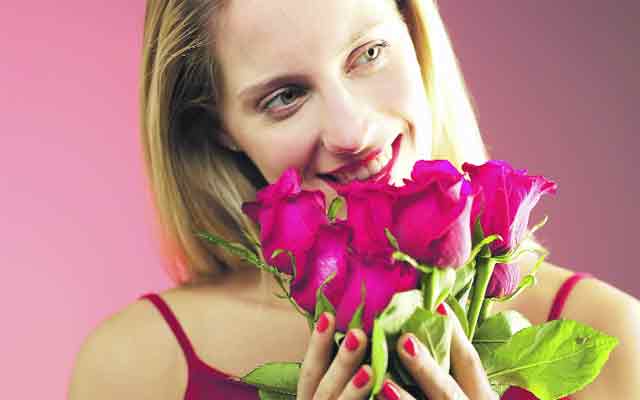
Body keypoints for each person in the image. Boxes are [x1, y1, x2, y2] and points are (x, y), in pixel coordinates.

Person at [68, 1, 640, 399]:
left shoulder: (611, 338)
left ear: (414, 36)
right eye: (285, 97)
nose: (352, 132)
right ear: (218, 129)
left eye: (368, 54)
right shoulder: (137, 367)